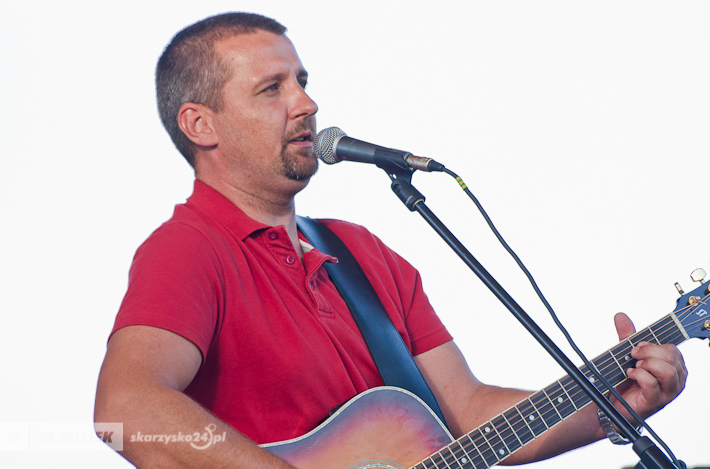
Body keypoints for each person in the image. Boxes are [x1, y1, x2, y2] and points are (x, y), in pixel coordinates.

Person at [94, 12, 687, 468]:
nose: (307, 104)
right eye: (271, 89)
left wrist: (612, 411)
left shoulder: (362, 254)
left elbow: (467, 415)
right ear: (200, 124)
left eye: (302, 81)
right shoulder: (190, 248)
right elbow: (125, 411)